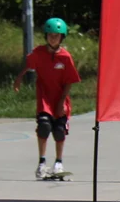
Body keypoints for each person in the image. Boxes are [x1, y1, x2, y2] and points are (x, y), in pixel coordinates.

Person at [14, 18, 81, 179]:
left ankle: (58, 163)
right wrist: (19, 78)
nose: (53, 38)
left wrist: (61, 102)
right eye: (50, 35)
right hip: (44, 98)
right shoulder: (39, 53)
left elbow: (69, 81)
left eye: (56, 36)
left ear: (62, 37)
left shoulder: (65, 57)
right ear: (46, 36)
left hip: (60, 99)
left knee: (59, 131)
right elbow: (28, 66)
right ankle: (42, 163)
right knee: (44, 126)